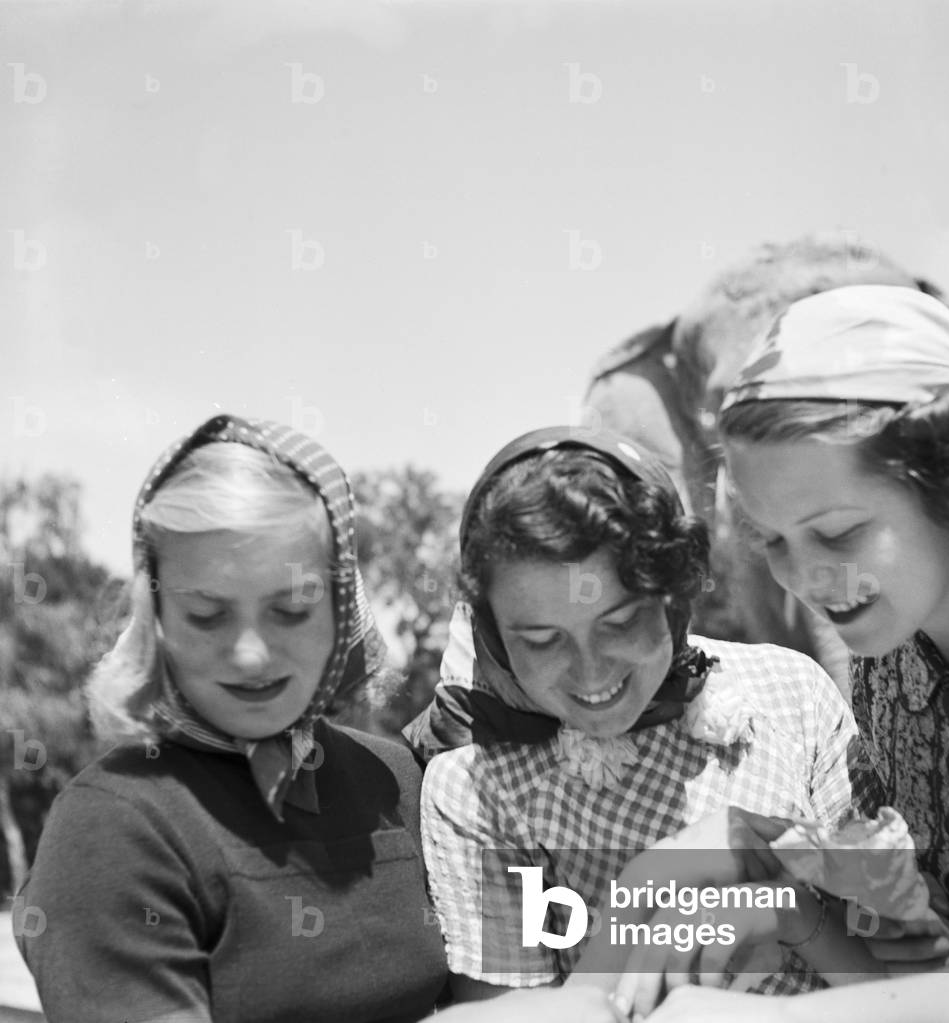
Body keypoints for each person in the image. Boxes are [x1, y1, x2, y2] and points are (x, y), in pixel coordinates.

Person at [13, 415, 631, 1023]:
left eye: (289, 609)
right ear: (156, 618)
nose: (250, 653)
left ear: (342, 605)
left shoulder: (398, 779)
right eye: (206, 615)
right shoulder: (113, 828)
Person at [406, 426, 869, 1003]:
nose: (591, 672)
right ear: (493, 637)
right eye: (542, 640)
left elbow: (902, 986)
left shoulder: (788, 693)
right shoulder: (476, 790)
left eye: (621, 622)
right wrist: (646, 887)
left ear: (674, 595)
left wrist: (786, 905)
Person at [686, 284, 949, 1020]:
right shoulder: (887, 652)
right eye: (771, 539)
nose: (802, 577)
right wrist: (771, 859)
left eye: (836, 532)